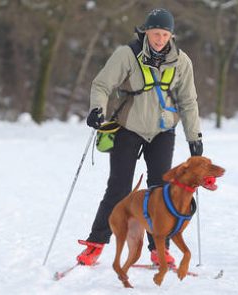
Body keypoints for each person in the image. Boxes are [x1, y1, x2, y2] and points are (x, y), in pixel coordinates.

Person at [77, 8, 203, 266]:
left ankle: (159, 249)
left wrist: (194, 136)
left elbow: (188, 102)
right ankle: (96, 243)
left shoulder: (182, 62)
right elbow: (102, 85)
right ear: (146, 31)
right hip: (128, 128)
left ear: (171, 35)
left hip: (163, 131)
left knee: (161, 191)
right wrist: (96, 109)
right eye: (155, 33)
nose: (159, 39)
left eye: (165, 34)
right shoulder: (127, 55)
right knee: (119, 189)